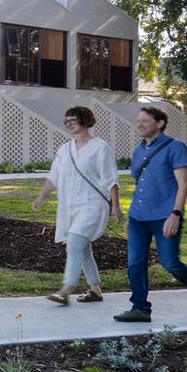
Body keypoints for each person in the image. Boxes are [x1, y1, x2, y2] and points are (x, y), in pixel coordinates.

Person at [113, 105, 187, 323]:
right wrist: (130, 217)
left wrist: (175, 213)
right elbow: (141, 185)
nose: (139, 124)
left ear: (160, 123)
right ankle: (140, 308)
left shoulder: (175, 147)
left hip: (164, 216)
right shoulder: (138, 151)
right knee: (134, 264)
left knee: (170, 262)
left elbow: (183, 185)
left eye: (145, 121)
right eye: (138, 120)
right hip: (138, 216)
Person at [30, 105, 120, 304]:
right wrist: (41, 197)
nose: (69, 124)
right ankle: (95, 289)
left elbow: (110, 178)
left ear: (84, 121)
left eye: (73, 120)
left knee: (74, 244)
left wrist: (115, 205)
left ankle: (66, 289)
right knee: (82, 248)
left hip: (92, 205)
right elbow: (54, 177)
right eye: (66, 121)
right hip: (70, 207)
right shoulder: (65, 149)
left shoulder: (100, 147)